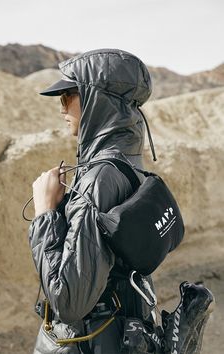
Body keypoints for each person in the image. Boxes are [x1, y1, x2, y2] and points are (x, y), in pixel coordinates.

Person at [28, 49, 214, 354]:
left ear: (97, 100)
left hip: (90, 342)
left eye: (67, 96)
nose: (61, 108)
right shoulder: (127, 163)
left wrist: (45, 213)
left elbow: (69, 301)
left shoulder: (99, 179)